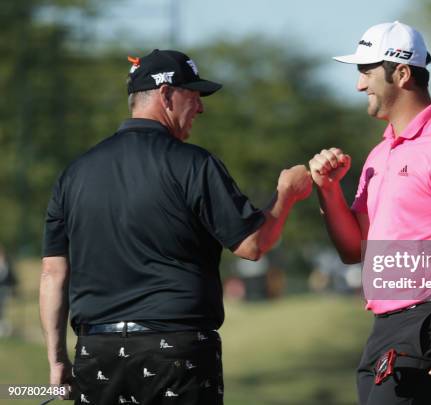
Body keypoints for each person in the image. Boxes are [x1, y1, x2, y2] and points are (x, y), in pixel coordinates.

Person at [40, 49, 312, 405]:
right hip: (176, 353)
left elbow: (52, 273)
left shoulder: (73, 174)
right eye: (194, 96)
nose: (200, 109)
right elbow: (253, 244)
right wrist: (286, 194)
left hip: (98, 352)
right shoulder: (194, 164)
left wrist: (57, 359)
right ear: (166, 94)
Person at [309, 22, 431, 404]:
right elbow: (353, 250)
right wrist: (327, 191)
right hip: (389, 325)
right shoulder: (380, 154)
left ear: (402, 73)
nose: (360, 85)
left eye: (367, 73)